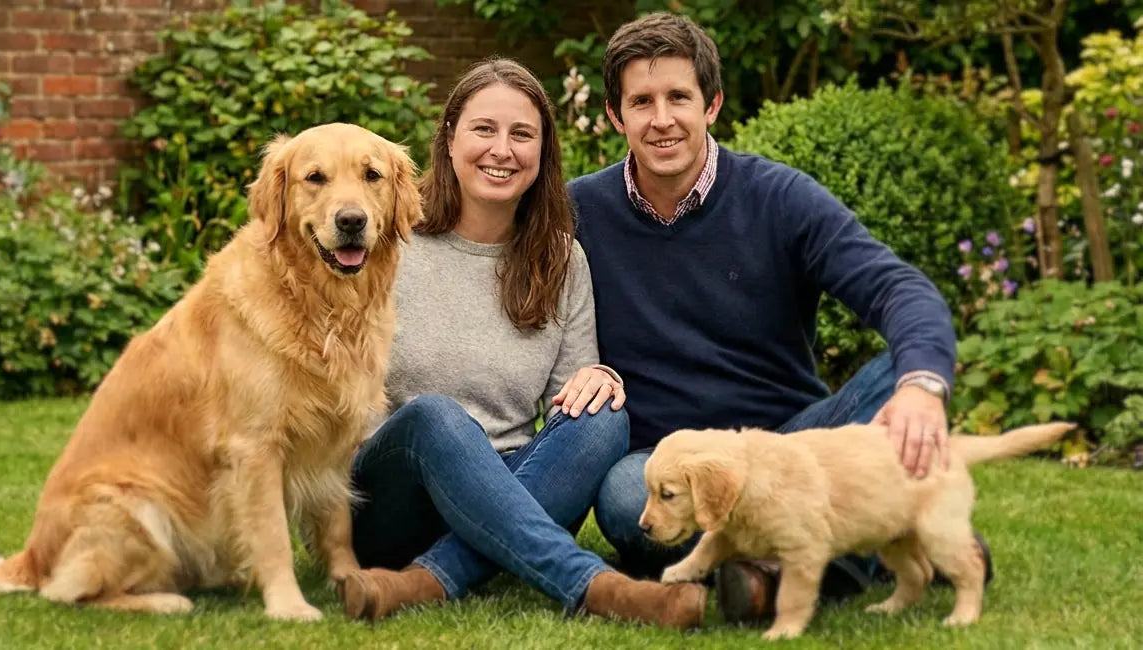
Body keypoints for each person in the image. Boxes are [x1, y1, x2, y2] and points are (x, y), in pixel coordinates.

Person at [567, 13, 989, 622]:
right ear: (615, 116)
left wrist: (922, 387)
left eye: (679, 97)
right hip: (670, 458)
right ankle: (873, 542)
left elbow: (898, 289)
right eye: (642, 101)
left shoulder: (780, 198)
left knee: (902, 368)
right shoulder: (580, 210)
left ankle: (774, 572)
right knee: (623, 498)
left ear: (711, 104)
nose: (662, 119)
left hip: (796, 445)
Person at [335, 57, 706, 629]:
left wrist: (597, 380)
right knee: (435, 416)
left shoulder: (560, 258)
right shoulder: (386, 242)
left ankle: (425, 582)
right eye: (484, 129)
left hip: (511, 484)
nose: (501, 150)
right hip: (388, 495)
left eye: (522, 134)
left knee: (605, 417)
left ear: (542, 152)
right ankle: (596, 587)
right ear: (451, 138)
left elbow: (570, 404)